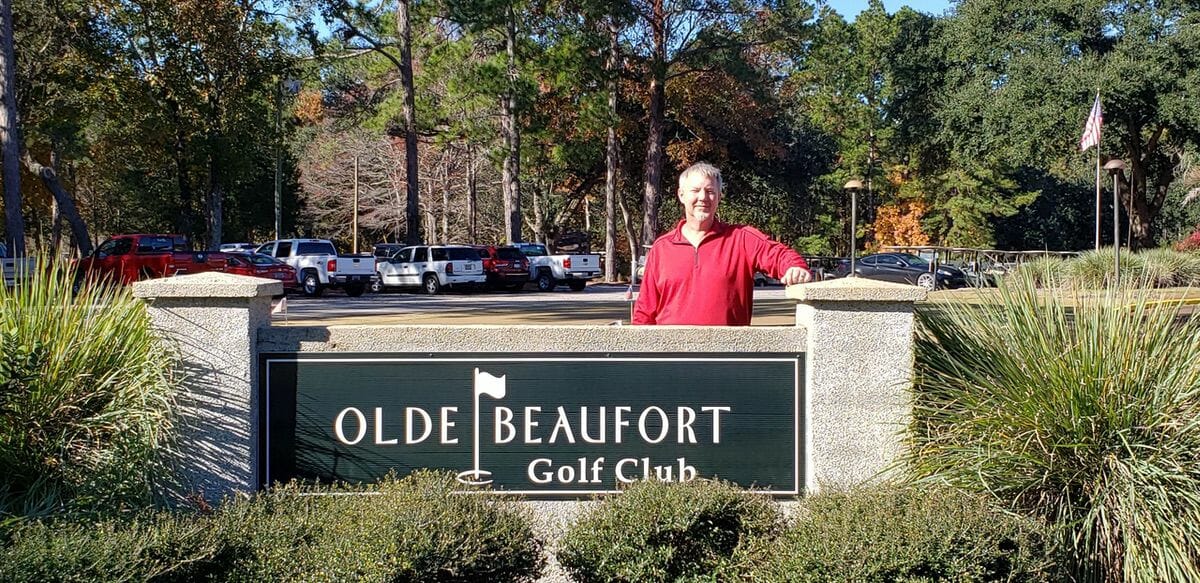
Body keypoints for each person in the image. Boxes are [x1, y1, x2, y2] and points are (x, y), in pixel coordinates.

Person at [633, 162, 812, 326]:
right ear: (681, 195)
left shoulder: (741, 239)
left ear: (719, 197)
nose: (703, 197)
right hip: (671, 355)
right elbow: (645, 311)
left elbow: (780, 255)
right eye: (695, 190)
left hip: (728, 356)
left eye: (710, 191)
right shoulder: (662, 248)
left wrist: (795, 267)